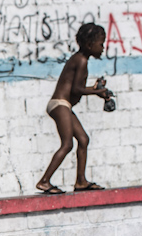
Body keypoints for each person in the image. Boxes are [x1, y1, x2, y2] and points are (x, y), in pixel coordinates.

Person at [35, 22, 112, 194]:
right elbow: (76, 90)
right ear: (89, 44)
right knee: (68, 143)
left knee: (83, 139)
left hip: (65, 105)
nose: (103, 48)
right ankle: (44, 181)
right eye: (101, 44)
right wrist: (97, 91)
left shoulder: (80, 59)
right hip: (60, 104)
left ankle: (81, 182)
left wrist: (97, 90)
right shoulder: (81, 60)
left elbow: (77, 87)